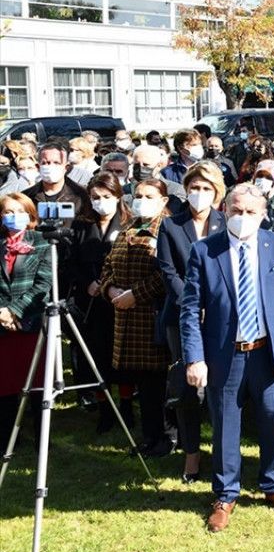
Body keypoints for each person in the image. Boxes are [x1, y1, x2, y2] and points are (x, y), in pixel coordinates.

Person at [181, 182, 274, 532]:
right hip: (225, 355)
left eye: (251, 212)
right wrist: (195, 358)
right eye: (236, 211)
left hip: (268, 353)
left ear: (264, 214)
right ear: (224, 211)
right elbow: (190, 310)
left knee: (272, 419)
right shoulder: (205, 251)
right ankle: (225, 494)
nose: (243, 217)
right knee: (225, 426)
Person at [155, 162, 225, 482]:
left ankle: (224, 453)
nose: (199, 194)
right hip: (182, 317)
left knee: (223, 386)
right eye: (194, 188)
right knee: (186, 388)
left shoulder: (227, 224)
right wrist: (194, 305)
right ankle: (192, 455)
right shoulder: (171, 226)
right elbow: (169, 273)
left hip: (222, 317)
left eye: (206, 189)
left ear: (217, 192)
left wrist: (215, 305)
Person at [99, 178, 172, 456]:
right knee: (144, 383)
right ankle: (150, 436)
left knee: (158, 383)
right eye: (138, 195)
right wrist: (111, 288)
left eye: (149, 195)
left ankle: (165, 437)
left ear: (163, 200)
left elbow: (167, 272)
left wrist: (136, 294)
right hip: (126, 317)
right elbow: (108, 265)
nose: (142, 200)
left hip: (152, 316)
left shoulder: (167, 228)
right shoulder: (128, 226)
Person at [70, 172, 133, 433]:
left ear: (118, 196)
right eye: (95, 197)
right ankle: (105, 410)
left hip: (120, 299)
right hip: (92, 302)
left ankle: (127, 409)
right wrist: (88, 283)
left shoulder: (129, 224)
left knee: (124, 359)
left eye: (106, 197)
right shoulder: (81, 226)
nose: (101, 202)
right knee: (97, 358)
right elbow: (70, 262)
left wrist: (113, 287)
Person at [0, 193, 51, 441]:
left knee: (37, 383)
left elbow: (43, 284)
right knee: (5, 382)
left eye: (19, 211)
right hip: (2, 324)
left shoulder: (41, 241)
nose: (14, 217)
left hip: (30, 321)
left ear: (30, 215)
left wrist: (14, 311)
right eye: (8, 212)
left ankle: (41, 437)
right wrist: (2, 313)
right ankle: (8, 436)